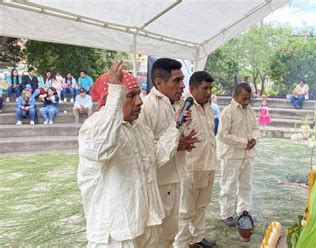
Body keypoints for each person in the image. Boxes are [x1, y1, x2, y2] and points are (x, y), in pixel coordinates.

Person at [77, 60, 183, 247]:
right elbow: (102, 149)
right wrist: (116, 92)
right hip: (117, 234)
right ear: (112, 98)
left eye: (139, 94)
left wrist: (175, 127)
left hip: (147, 222)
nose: (139, 102)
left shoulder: (139, 128)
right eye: (131, 96)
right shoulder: (95, 127)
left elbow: (155, 158)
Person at [139, 58, 199, 248]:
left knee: (171, 231)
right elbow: (145, 151)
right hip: (156, 183)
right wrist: (177, 143)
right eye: (177, 81)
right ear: (159, 83)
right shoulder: (147, 107)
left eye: (182, 80)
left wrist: (184, 140)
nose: (182, 86)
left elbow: (177, 136)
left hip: (175, 178)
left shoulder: (179, 105)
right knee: (155, 235)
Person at [175, 71, 217, 248]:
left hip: (208, 165)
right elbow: (176, 136)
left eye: (210, 88)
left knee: (201, 206)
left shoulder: (208, 107)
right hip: (191, 168)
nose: (208, 92)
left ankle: (197, 238)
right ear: (192, 88)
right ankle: (182, 243)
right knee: (185, 210)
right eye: (204, 88)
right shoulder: (184, 108)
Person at [218, 83, 259, 226]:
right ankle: (226, 214)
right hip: (232, 155)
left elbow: (256, 128)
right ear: (234, 96)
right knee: (228, 185)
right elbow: (223, 135)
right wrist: (244, 142)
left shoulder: (251, 111)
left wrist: (254, 138)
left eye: (249, 99)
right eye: (244, 99)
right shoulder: (227, 112)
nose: (247, 102)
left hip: (248, 155)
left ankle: (244, 212)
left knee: (246, 185)